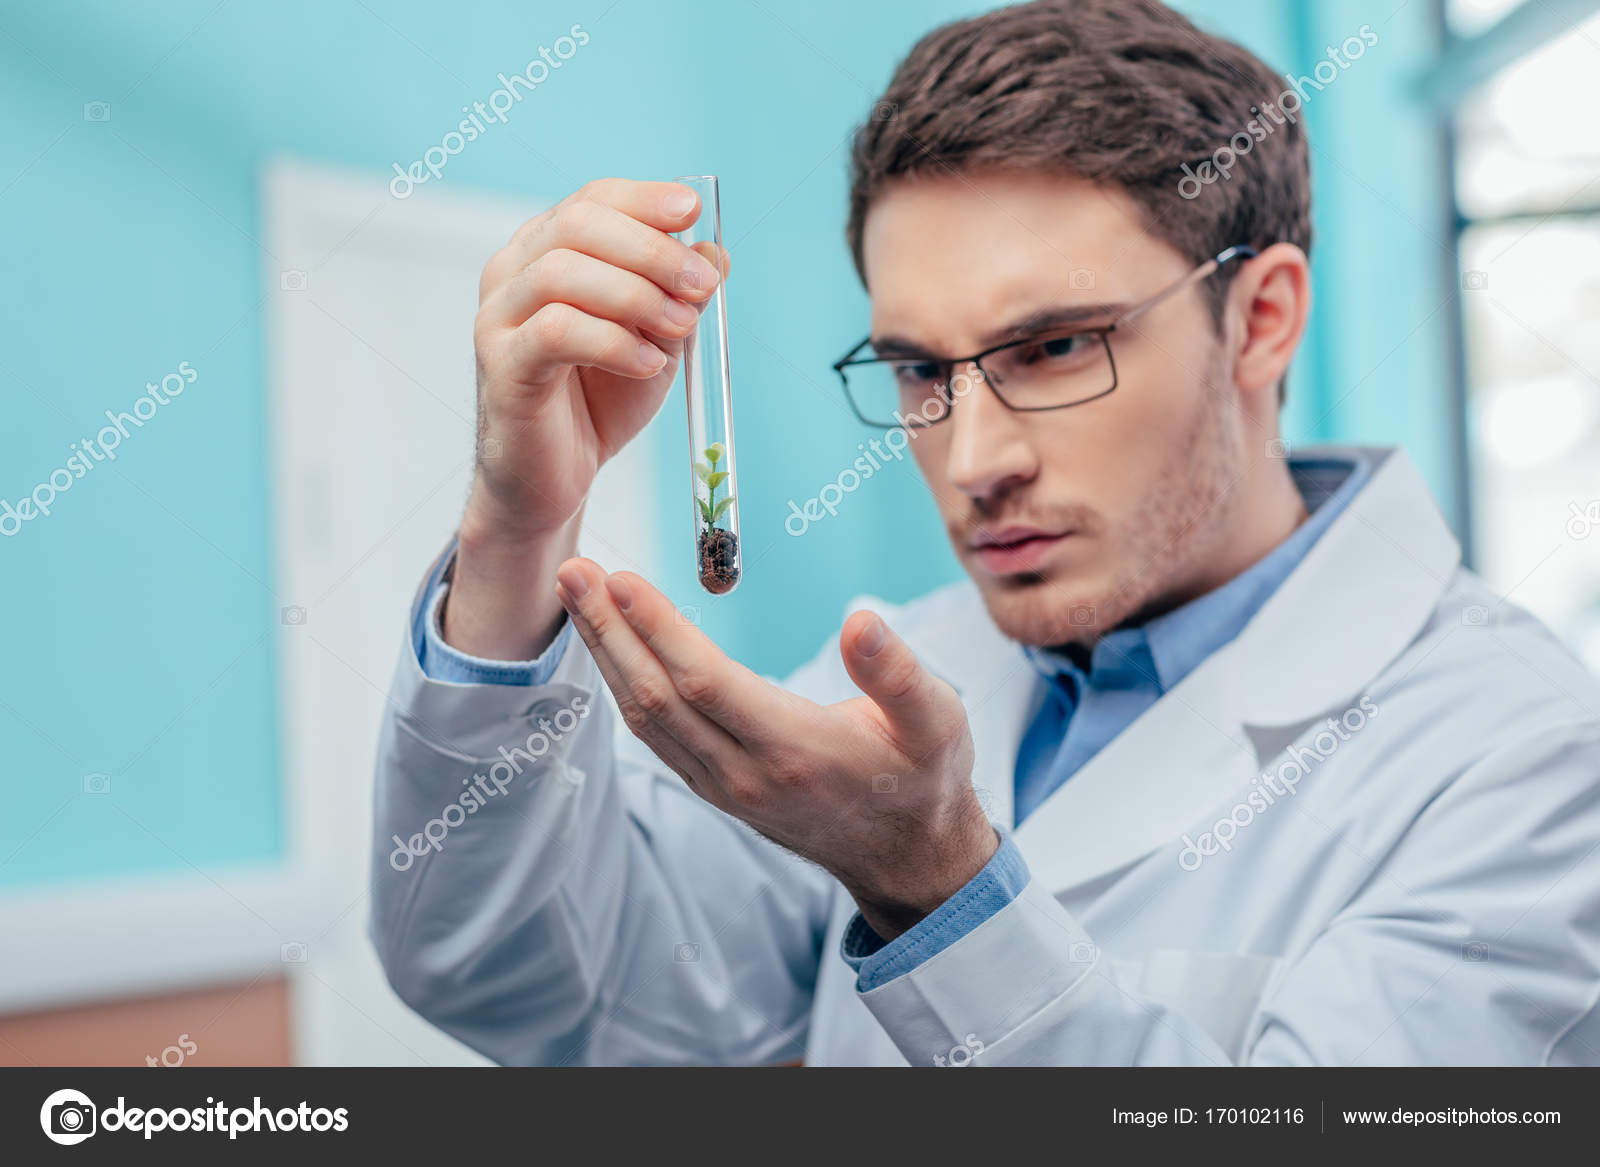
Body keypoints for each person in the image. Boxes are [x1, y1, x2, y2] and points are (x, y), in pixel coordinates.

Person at [368, 0, 1600, 1065]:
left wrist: (936, 892)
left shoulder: (1524, 763)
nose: (973, 461)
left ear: (1262, 318)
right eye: (918, 371)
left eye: (1057, 347)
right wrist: (517, 534)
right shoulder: (915, 668)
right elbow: (529, 988)